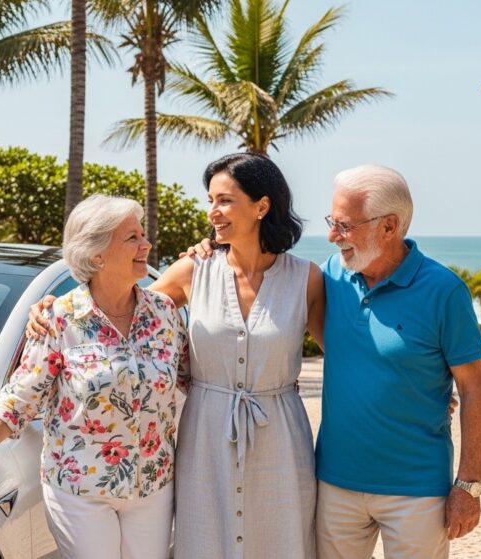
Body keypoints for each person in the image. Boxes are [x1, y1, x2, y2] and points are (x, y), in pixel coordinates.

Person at [28, 153, 325, 558]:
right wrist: (50, 309)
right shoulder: (192, 271)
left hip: (280, 438)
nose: (213, 212)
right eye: (210, 200)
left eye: (224, 200)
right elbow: (114, 308)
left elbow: (343, 358)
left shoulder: (306, 278)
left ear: (262, 205)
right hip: (205, 435)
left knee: (279, 542)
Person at [0, 195, 189, 559]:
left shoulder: (164, 313)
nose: (146, 245)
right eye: (132, 237)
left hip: (153, 485)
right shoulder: (59, 318)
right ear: (96, 253)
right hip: (80, 488)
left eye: (143, 235)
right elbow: (21, 395)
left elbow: (194, 378)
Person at [314, 164, 481, 559]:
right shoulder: (331, 277)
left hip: (417, 490)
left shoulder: (444, 291)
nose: (331, 236)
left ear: (389, 226)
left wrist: (468, 485)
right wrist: (209, 253)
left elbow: (474, 389)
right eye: (332, 221)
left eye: (344, 225)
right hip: (335, 484)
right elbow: (262, 279)